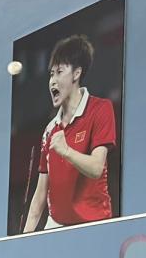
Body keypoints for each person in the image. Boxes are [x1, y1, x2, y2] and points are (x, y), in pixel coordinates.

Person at [23, 35, 117, 233]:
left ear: (76, 73)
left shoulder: (100, 109)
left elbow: (96, 168)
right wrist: (23, 240)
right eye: (51, 74)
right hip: (56, 225)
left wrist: (66, 151)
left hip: (94, 224)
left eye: (59, 72)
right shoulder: (50, 130)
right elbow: (40, 196)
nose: (52, 81)